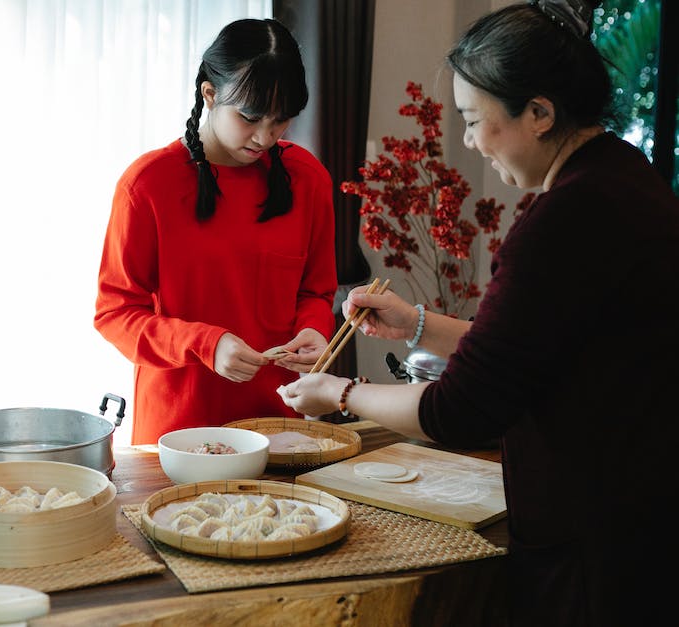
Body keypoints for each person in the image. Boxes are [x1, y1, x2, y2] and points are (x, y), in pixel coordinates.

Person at [278, 2, 678, 625]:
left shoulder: (566, 219)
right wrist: (418, 324)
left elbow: (457, 410)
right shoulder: (623, 175)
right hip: (640, 509)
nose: (467, 141)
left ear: (540, 112)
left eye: (473, 120)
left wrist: (340, 391)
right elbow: (537, 342)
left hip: (596, 537)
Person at [95, 18, 337, 445]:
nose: (265, 136)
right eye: (249, 117)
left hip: (280, 429)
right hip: (176, 435)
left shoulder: (308, 179)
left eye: (281, 121)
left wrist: (316, 330)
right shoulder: (148, 185)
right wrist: (204, 343)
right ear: (210, 94)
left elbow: (315, 292)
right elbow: (116, 314)